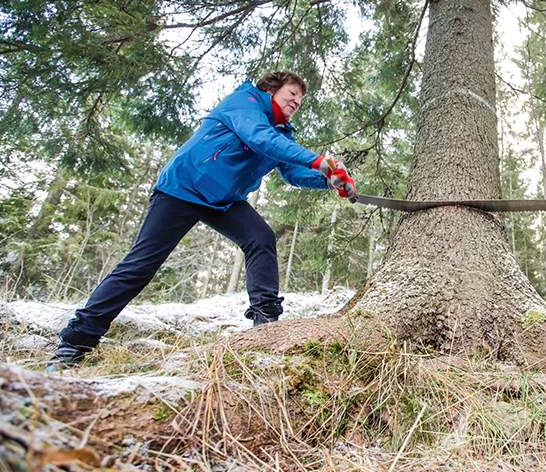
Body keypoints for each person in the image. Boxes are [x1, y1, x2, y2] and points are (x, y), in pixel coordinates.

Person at [48, 72, 356, 368]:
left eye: (300, 100)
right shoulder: (245, 102)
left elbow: (291, 172)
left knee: (260, 238)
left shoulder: (282, 133)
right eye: (292, 93)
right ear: (271, 89)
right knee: (140, 266)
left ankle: (266, 326)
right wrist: (317, 161)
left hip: (223, 200)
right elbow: (258, 137)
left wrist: (328, 181)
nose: (296, 102)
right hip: (182, 188)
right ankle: (75, 342)